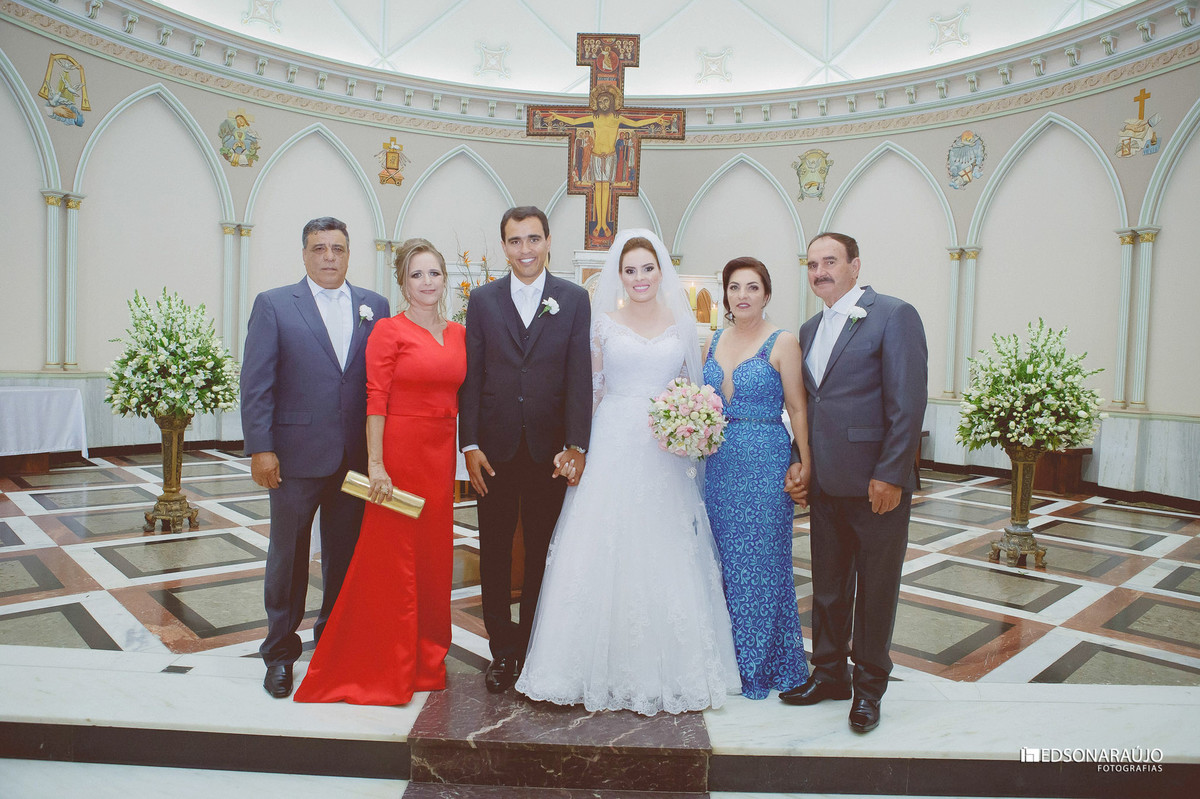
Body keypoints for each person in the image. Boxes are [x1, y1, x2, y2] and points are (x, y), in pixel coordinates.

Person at [516, 230, 741, 715]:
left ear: (662, 271)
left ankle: (665, 670)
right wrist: (577, 447)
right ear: (619, 275)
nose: (639, 278)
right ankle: (578, 666)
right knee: (600, 543)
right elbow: (590, 392)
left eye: (648, 268)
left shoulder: (684, 328)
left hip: (664, 448)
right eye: (630, 270)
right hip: (612, 440)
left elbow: (691, 387)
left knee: (663, 546)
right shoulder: (602, 325)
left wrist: (691, 423)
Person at [293, 238, 466, 705]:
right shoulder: (388, 330)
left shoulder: (459, 334)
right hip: (400, 454)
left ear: (444, 278)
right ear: (403, 282)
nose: (426, 283)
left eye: (433, 273)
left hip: (440, 455)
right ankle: (385, 657)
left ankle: (428, 654)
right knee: (392, 560)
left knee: (433, 557)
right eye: (416, 275)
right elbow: (376, 400)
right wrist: (375, 465)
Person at [780, 232, 927, 734]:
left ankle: (868, 689)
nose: (820, 270)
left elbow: (907, 406)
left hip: (875, 485)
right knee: (828, 586)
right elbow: (808, 407)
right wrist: (803, 464)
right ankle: (828, 675)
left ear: (855, 266)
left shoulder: (893, 314)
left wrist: (890, 474)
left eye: (830, 261)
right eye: (813, 263)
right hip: (825, 485)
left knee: (876, 590)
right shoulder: (808, 326)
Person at [241, 217, 390, 698]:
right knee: (288, 558)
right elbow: (256, 384)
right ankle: (280, 653)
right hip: (295, 458)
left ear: (350, 255)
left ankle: (333, 645)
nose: (329, 256)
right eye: (319, 248)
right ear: (304, 254)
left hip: (353, 459)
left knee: (345, 559)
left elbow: (379, 383)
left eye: (338, 248)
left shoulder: (375, 305)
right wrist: (261, 449)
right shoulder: (275, 305)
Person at [458, 206, 592, 694]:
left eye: (533, 239)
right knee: (492, 552)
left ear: (549, 241)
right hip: (492, 450)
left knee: (542, 553)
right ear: (504, 246)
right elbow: (471, 377)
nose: (526, 250)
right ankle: (502, 652)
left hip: (548, 451)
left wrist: (576, 443)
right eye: (515, 241)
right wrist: (468, 445)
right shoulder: (483, 300)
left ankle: (534, 646)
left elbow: (579, 376)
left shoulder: (573, 299)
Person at [702, 257, 813, 700]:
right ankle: (728, 660)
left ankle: (764, 663)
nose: (742, 295)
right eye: (734, 287)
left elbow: (800, 408)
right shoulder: (713, 339)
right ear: (725, 295)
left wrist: (805, 460)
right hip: (717, 465)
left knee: (763, 564)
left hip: (764, 460)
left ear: (767, 294)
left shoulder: (782, 341)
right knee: (723, 562)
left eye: (752, 287)